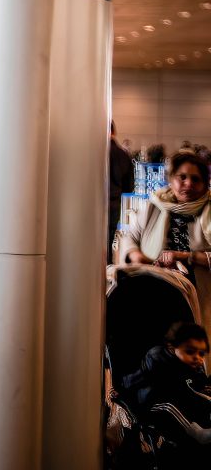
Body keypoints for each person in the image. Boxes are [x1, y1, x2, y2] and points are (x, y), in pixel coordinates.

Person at [122, 150, 211, 329]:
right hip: (153, 290)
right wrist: (135, 255)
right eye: (182, 177)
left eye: (196, 179)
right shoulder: (154, 205)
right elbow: (130, 235)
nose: (188, 183)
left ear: (205, 184)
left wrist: (185, 256)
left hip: (199, 297)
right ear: (171, 179)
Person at [121, 322, 211, 463]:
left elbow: (197, 385)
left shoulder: (194, 365)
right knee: (169, 406)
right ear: (171, 347)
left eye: (201, 353)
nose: (197, 358)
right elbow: (172, 388)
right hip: (151, 402)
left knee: (202, 400)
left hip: (178, 396)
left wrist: (204, 389)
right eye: (190, 351)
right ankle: (197, 432)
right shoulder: (157, 356)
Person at [108, 120, 136, 261]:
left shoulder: (95, 153)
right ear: (114, 131)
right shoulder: (123, 155)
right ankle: (105, 267)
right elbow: (129, 186)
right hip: (114, 204)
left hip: (95, 204)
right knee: (109, 238)